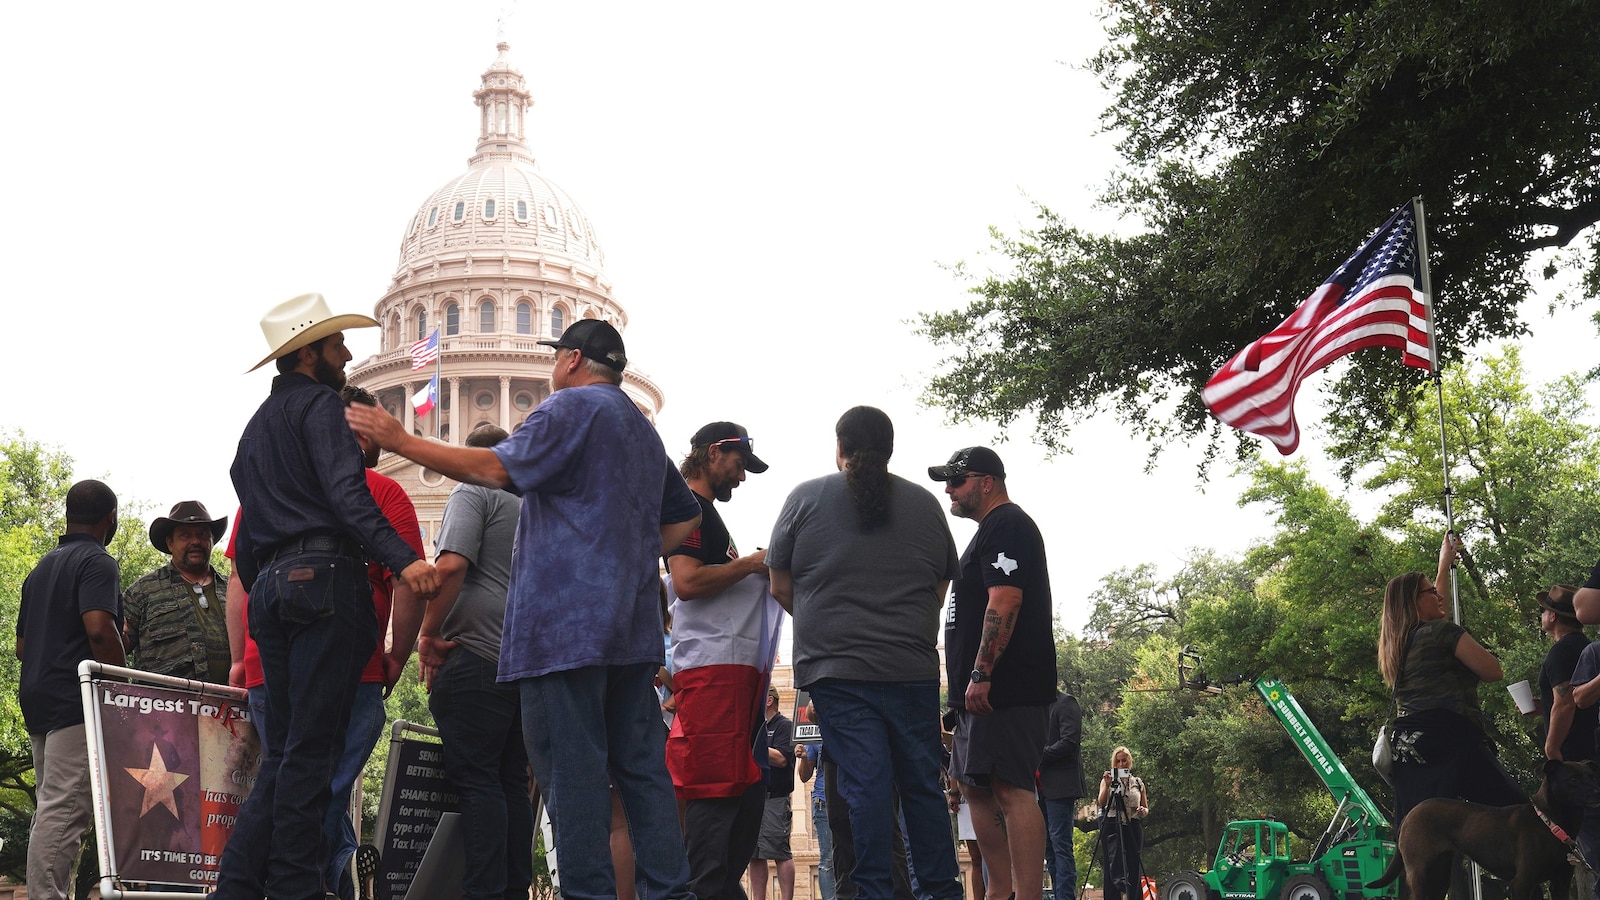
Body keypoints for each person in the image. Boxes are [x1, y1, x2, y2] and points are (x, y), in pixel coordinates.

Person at [345, 317, 702, 900]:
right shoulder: (640, 430)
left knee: (572, 775)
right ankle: (671, 891)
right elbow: (686, 519)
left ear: (570, 360)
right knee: (641, 771)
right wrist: (621, 551)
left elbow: (494, 470)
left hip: (563, 628)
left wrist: (400, 440)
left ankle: (586, 893)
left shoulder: (569, 409)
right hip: (630, 629)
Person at [216, 293, 438, 900]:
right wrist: (403, 560)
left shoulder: (255, 431)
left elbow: (254, 531)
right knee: (311, 755)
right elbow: (349, 496)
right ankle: (294, 887)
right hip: (326, 588)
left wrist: (268, 586)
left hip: (273, 595)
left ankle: (236, 885)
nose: (348, 353)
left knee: (286, 753)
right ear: (308, 351)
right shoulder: (322, 408)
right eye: (337, 343)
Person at [766, 406, 963, 900]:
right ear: (890, 450)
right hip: (911, 669)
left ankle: (872, 892)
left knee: (865, 788)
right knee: (920, 785)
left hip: (837, 673)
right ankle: (942, 891)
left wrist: (824, 621)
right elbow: (940, 584)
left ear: (840, 448)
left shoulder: (806, 499)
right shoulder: (925, 505)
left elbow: (779, 584)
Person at [929, 446, 1055, 900]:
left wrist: (981, 673)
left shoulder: (1006, 523)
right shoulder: (987, 533)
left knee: (1011, 788)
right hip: (974, 697)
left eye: (957, 481)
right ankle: (998, 890)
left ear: (987, 482)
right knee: (972, 787)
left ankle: (1026, 894)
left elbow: (1005, 599)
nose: (948, 489)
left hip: (1007, 689)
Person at [418, 423, 533, 900]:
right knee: (510, 782)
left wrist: (426, 633)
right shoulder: (530, 509)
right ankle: (512, 888)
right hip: (523, 667)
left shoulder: (472, 493)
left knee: (478, 782)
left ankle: (482, 890)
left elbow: (450, 566)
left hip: (476, 658)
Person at [664, 421, 775, 900]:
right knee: (715, 792)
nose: (742, 477)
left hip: (730, 675)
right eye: (738, 465)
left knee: (744, 798)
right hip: (714, 676)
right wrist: (751, 564)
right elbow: (686, 582)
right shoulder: (689, 510)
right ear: (714, 454)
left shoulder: (704, 513)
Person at [16, 480, 124, 900]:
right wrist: (121, 687)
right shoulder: (97, 561)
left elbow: (24, 647)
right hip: (74, 700)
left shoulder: (41, 567)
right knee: (66, 810)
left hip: (39, 696)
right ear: (110, 517)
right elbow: (99, 629)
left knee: (51, 806)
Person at [1376, 531, 1523, 826]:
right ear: (1414, 602)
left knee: (1424, 837)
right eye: (1431, 592)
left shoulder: (1397, 643)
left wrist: (1443, 566)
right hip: (1451, 739)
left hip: (1410, 747)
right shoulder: (1443, 633)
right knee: (1517, 817)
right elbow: (1493, 671)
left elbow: (1436, 612)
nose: (1439, 595)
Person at [121, 501, 231, 682]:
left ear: (212, 541)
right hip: (163, 705)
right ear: (170, 543)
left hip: (232, 704)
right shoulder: (142, 591)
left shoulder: (235, 590)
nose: (195, 541)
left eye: (203, 534)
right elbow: (115, 648)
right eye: (185, 535)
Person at [1537, 585, 1595, 762]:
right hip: (1592, 743)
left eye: (1543, 610)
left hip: (1572, 753)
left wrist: (1552, 747)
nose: (1541, 615)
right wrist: (1543, 707)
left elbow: (1565, 703)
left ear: (1552, 616)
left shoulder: (1560, 651)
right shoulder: (1588, 647)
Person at [750, 687, 797, 900]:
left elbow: (781, 759)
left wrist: (752, 744)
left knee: (780, 852)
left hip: (775, 799)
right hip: (754, 797)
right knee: (755, 855)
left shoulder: (784, 726)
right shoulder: (759, 727)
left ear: (769, 700)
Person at [1039, 690, 1084, 900]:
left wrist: (1037, 757)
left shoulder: (1066, 703)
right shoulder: (1036, 707)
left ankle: (1065, 897)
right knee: (1049, 846)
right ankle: (1060, 895)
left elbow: (1069, 742)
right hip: (1039, 788)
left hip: (1060, 786)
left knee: (1060, 845)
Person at [1095, 747, 1148, 900]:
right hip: (1112, 823)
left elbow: (1145, 807)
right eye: (1117, 761)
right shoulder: (1108, 780)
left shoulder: (1138, 783)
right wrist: (1107, 783)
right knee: (1112, 865)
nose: (1121, 764)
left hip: (1133, 824)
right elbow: (1101, 802)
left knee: (1134, 865)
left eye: (1124, 760)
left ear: (1130, 761)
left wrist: (1143, 811)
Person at [798, 736, 836, 900]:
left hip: (850, 798)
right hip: (823, 801)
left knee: (851, 856)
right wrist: (804, 758)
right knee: (828, 859)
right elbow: (804, 776)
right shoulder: (814, 734)